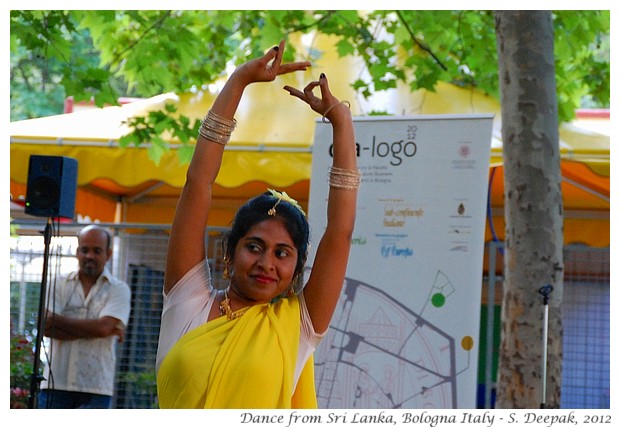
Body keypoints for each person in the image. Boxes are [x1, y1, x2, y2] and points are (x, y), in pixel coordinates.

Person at [156, 39, 360, 409]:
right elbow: (198, 183)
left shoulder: (298, 324)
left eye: (283, 253)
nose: (267, 262)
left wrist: (342, 124)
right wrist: (238, 82)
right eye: (254, 246)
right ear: (230, 254)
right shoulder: (190, 304)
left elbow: (340, 233)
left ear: (297, 269)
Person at [39, 225, 131, 409]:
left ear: (108, 254)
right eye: (85, 250)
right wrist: (102, 330)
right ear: (77, 252)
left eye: (97, 251)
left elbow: (103, 327)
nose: (90, 256)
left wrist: (57, 320)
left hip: (96, 388)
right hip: (56, 384)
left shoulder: (118, 289)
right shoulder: (58, 284)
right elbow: (45, 328)